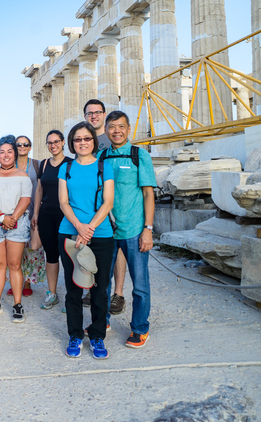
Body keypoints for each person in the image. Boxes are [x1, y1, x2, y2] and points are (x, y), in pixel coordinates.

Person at [58, 122, 114, 360]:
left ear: (94, 141)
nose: (82, 143)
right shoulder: (66, 167)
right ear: (72, 143)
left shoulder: (105, 166)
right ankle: (75, 335)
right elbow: (63, 202)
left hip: (100, 234)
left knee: (100, 290)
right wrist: (79, 227)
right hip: (70, 233)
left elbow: (108, 202)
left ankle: (98, 335)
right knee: (73, 289)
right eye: (77, 139)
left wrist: (88, 229)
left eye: (87, 139)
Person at [103, 110, 157, 349]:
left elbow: (148, 194)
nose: (117, 131)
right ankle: (101, 322)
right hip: (106, 229)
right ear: (106, 130)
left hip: (134, 229)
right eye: (112, 127)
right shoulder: (101, 156)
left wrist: (148, 228)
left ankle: (139, 329)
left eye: (121, 126)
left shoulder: (139, 155)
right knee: (101, 281)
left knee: (140, 284)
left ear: (128, 129)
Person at [0, 136, 33, 323]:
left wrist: (12, 219)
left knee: (15, 265)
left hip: (17, 223)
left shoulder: (23, 176)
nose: (5, 155)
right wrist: (2, 218)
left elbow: (25, 199)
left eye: (9, 151)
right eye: (2, 152)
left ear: (15, 153)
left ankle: (17, 305)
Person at [82, 98, 112, 309]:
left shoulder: (111, 139)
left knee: (114, 252)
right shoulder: (83, 140)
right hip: (89, 206)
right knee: (89, 250)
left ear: (104, 114)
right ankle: (90, 290)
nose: (94, 116)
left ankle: (117, 293)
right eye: (90, 113)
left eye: (98, 112)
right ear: (85, 116)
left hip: (111, 204)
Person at [31, 130, 67, 310]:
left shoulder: (71, 163)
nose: (53, 145)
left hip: (66, 216)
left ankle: (72, 297)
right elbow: (39, 191)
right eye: (49, 142)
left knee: (70, 257)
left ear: (63, 143)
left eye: (56, 142)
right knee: (51, 256)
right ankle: (52, 294)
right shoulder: (44, 164)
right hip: (46, 215)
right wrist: (36, 213)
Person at [7, 135, 44, 298]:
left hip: (31, 212)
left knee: (31, 249)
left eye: (26, 144)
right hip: (12, 214)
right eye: (19, 144)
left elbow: (41, 189)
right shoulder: (9, 164)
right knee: (13, 250)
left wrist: (38, 212)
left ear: (30, 147)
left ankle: (28, 281)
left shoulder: (36, 165)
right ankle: (15, 282)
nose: (22, 146)